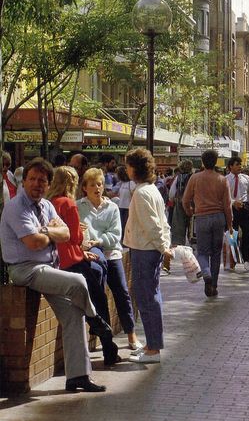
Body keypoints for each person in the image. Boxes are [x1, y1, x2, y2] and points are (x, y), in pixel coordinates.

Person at [0, 157, 110, 392]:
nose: (37, 184)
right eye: (32, 179)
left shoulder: (47, 205)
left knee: (73, 314)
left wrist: (46, 230)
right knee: (79, 280)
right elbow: (33, 242)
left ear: (49, 184)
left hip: (48, 268)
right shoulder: (15, 207)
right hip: (24, 270)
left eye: (42, 180)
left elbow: (67, 233)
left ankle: (78, 376)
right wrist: (51, 232)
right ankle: (96, 319)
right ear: (24, 181)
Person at [47, 166, 122, 366]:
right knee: (98, 301)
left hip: (57, 262)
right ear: (72, 183)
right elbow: (76, 237)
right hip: (74, 262)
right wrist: (79, 232)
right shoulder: (69, 204)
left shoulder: (49, 203)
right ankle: (108, 348)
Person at [77, 168, 141, 353]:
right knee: (98, 295)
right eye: (92, 185)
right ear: (84, 188)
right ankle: (103, 336)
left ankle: (131, 333)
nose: (97, 188)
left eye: (99, 184)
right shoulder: (78, 206)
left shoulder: (112, 206)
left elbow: (115, 236)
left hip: (111, 255)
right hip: (92, 256)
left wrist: (98, 240)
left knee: (122, 293)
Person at [124, 148, 173, 363]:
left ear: (134, 168)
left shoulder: (142, 193)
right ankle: (151, 343)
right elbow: (162, 223)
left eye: (128, 165)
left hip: (145, 250)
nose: (126, 169)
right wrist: (165, 246)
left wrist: (164, 248)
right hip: (147, 249)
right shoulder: (150, 190)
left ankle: (153, 348)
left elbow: (153, 226)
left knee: (146, 298)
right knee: (150, 296)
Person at [182, 150, 233, 296]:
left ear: (203, 162)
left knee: (202, 251)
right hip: (218, 218)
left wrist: (190, 211)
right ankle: (214, 286)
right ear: (216, 161)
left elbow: (185, 199)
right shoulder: (222, 179)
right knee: (216, 253)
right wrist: (230, 224)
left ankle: (206, 273)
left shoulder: (195, 178)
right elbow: (227, 205)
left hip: (202, 217)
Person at [225, 156, 249, 272]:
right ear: (230, 166)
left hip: (245, 208)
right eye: (237, 164)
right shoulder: (226, 179)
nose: (239, 167)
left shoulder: (246, 178)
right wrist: (233, 202)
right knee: (232, 235)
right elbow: (224, 196)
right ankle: (234, 260)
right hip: (232, 209)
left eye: (240, 164)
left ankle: (246, 258)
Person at [112, 165, 136, 240]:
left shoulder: (131, 183)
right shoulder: (121, 183)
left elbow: (133, 195)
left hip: (128, 208)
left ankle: (127, 240)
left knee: (126, 225)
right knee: (121, 225)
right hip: (121, 207)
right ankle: (122, 239)